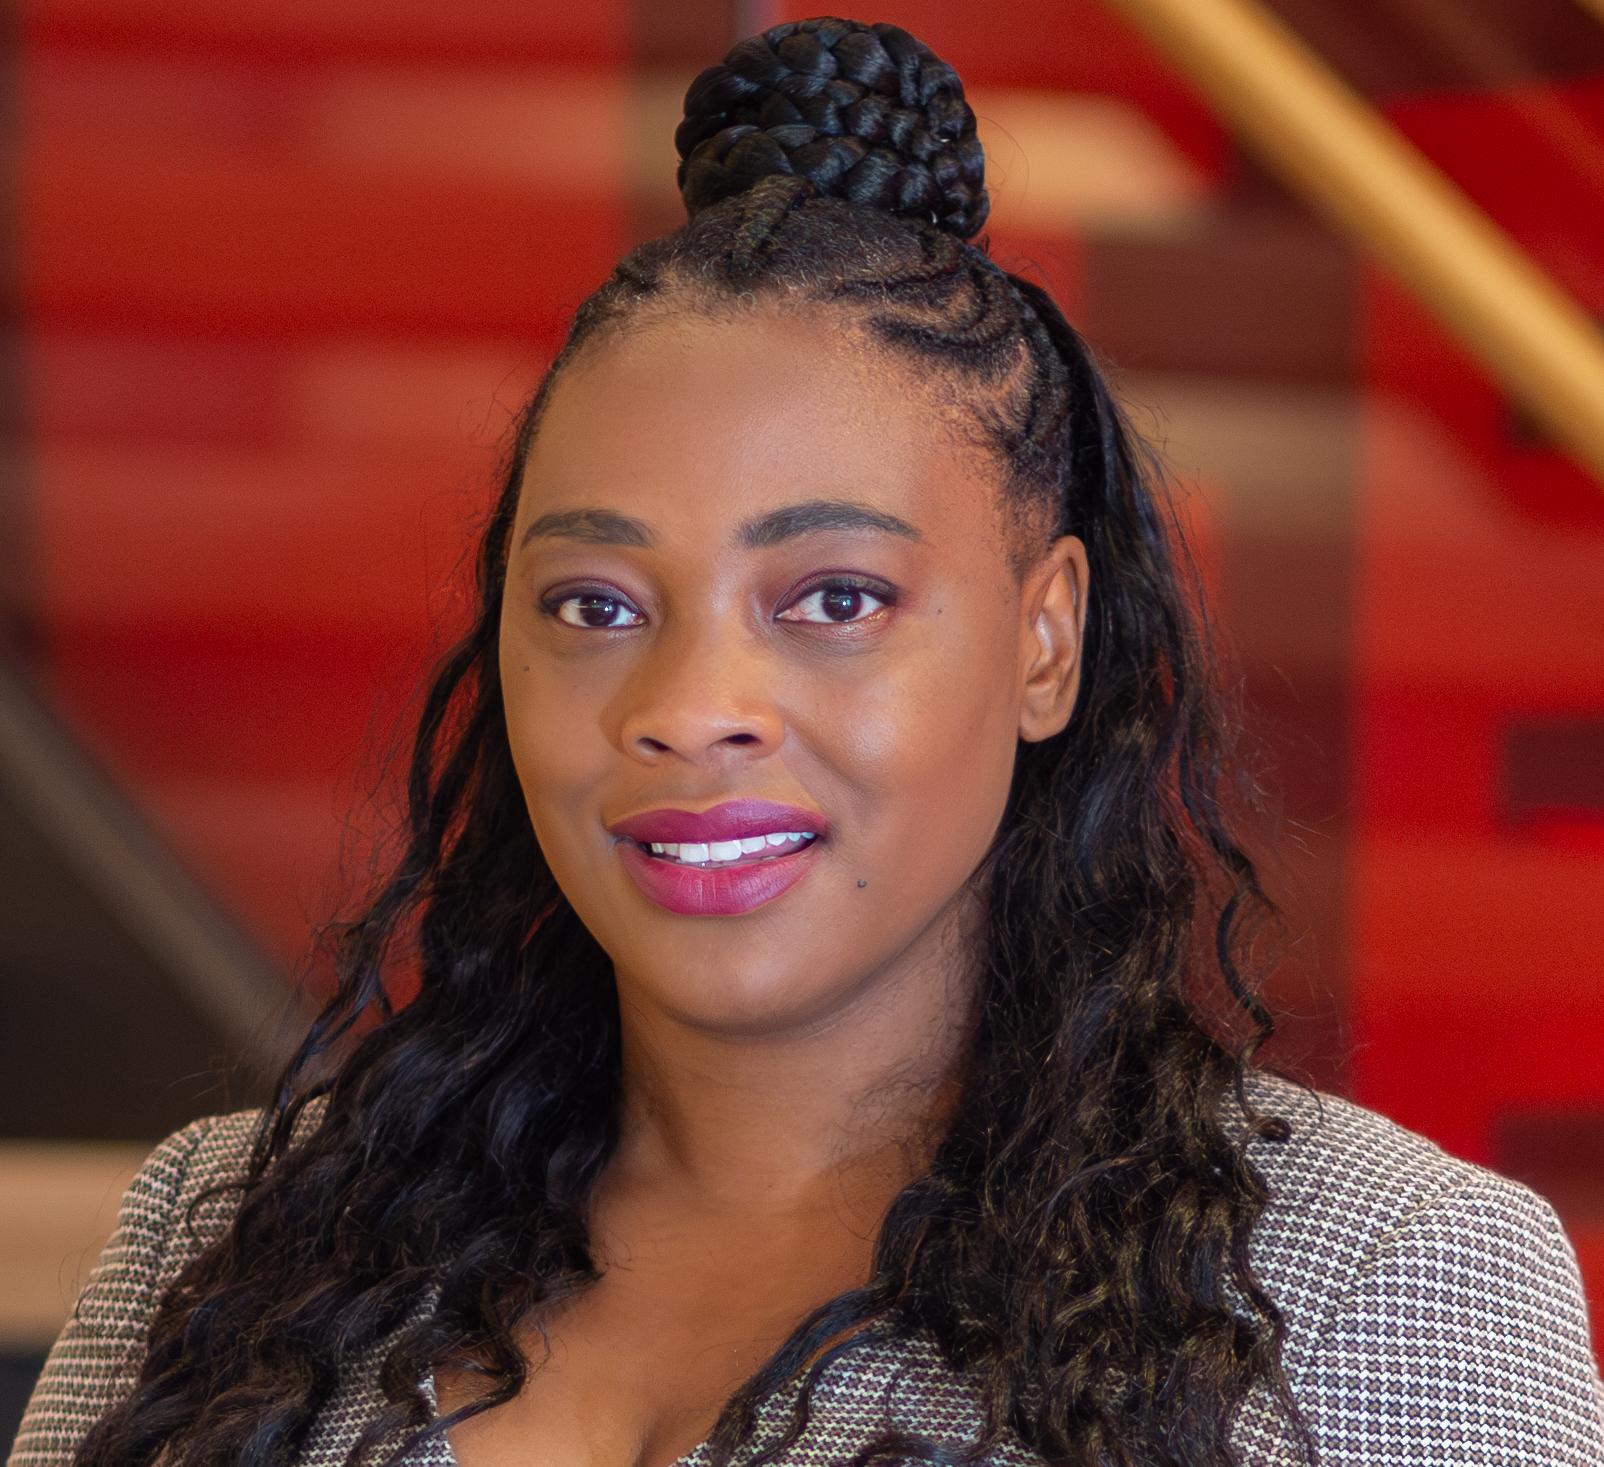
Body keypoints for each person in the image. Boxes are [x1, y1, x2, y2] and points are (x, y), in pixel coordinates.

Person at [11, 16, 1604, 1467]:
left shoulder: (1373, 1289)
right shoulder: (231, 1245)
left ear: (1046, 638)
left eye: (836, 597)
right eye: (594, 603)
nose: (688, 704)